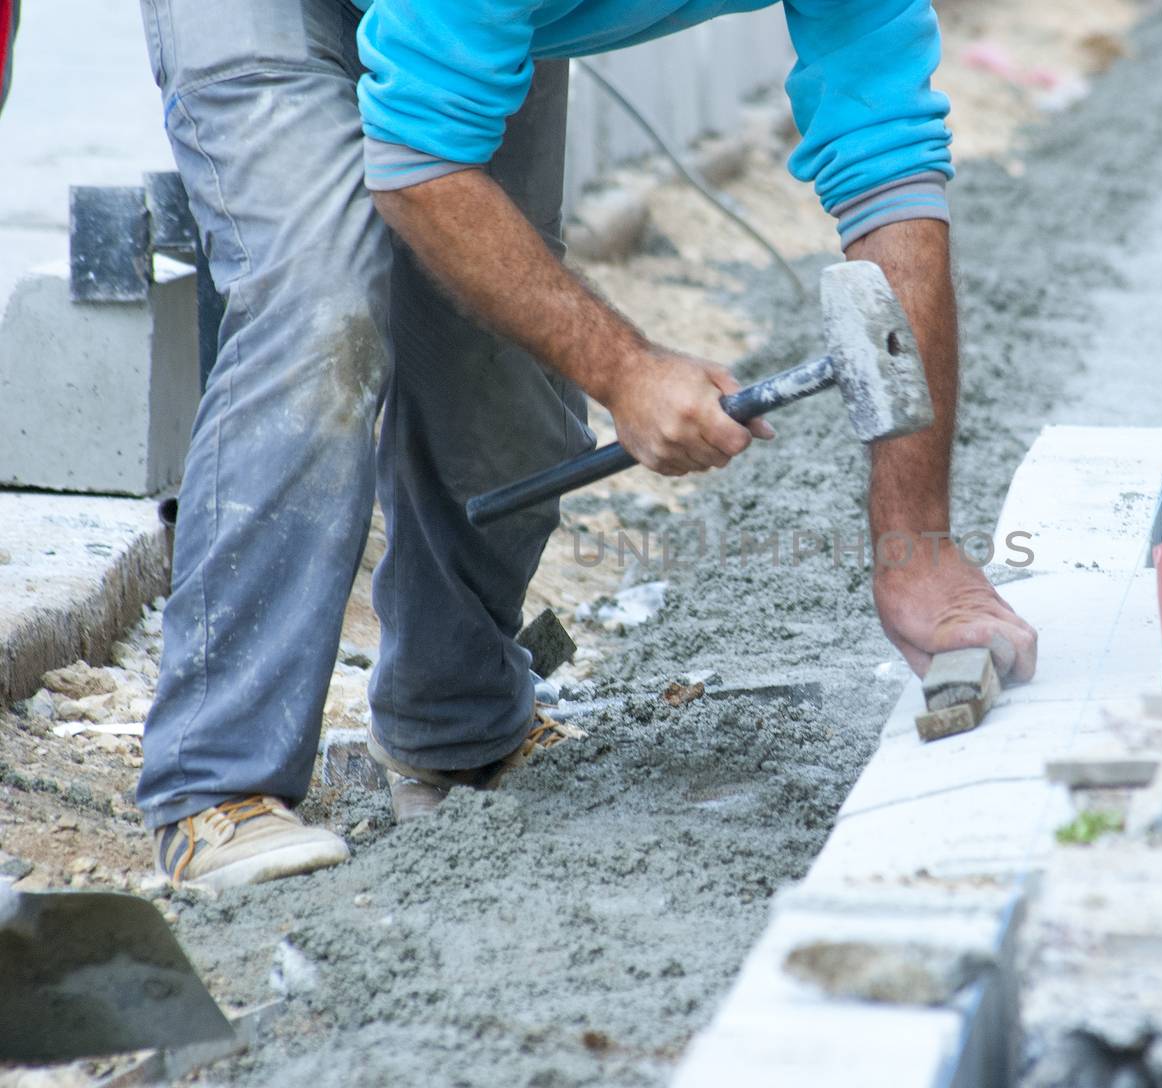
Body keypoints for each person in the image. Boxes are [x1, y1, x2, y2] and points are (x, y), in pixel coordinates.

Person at [134, 0, 1039, 890]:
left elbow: (892, 171)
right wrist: (627, 370)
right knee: (324, 300)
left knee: (502, 377)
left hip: (478, 22)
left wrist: (917, 546)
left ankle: (455, 723)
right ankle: (217, 780)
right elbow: (417, 164)